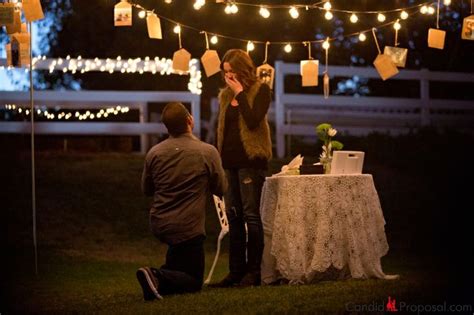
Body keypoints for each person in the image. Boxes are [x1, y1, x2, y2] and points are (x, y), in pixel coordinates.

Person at [137, 102, 227, 301]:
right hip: (188, 227)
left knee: (180, 262)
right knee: (194, 281)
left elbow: (146, 190)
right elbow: (221, 188)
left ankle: (157, 278)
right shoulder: (207, 151)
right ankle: (156, 275)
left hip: (160, 222)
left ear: (167, 127)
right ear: (190, 121)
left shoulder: (154, 153)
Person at [211, 49, 272, 287]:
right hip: (230, 163)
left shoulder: (261, 90)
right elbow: (223, 129)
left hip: (250, 162)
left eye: (231, 71)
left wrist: (240, 92)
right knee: (234, 217)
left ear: (242, 69)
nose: (228, 77)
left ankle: (253, 272)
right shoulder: (225, 95)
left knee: (251, 216)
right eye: (225, 72)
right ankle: (235, 271)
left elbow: (253, 120)